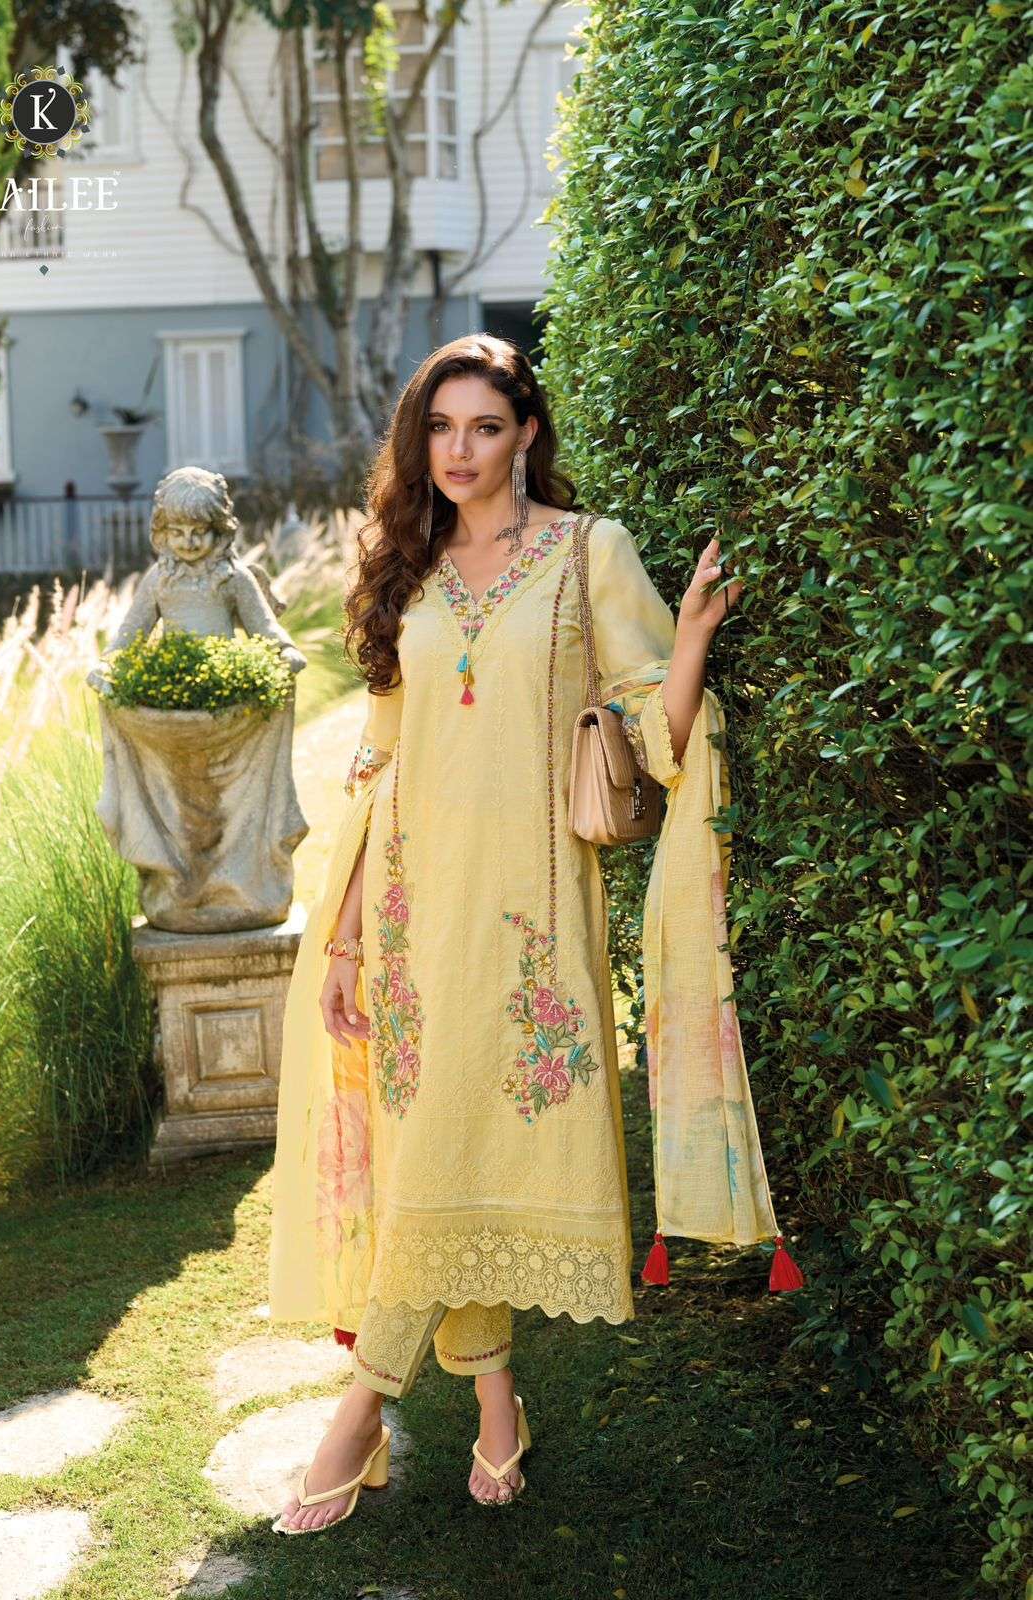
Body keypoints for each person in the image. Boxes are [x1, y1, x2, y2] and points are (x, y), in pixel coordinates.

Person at [267, 334, 801, 1535]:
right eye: (439, 427)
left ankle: (356, 1416)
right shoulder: (406, 569)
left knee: (455, 1154)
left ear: (526, 435)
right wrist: (344, 941)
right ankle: (495, 1407)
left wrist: (691, 643)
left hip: (526, 926)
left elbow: (654, 729)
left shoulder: (585, 551)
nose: (459, 450)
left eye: (485, 427)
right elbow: (379, 764)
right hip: (409, 915)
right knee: (436, 1161)